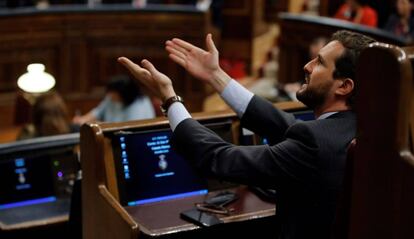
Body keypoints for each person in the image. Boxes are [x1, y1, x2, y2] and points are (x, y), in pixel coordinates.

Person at [118, 30, 375, 239]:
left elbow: (220, 158)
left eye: (319, 62)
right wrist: (215, 75)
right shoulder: (363, 128)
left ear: (344, 86)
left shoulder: (315, 142)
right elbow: (283, 125)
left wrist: (170, 100)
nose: (307, 66)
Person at [72, 74, 155, 124]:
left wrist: (97, 124)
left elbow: (128, 129)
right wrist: (83, 119)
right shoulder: (110, 99)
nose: (109, 96)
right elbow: (97, 112)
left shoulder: (141, 104)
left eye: (113, 93)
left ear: (124, 93)